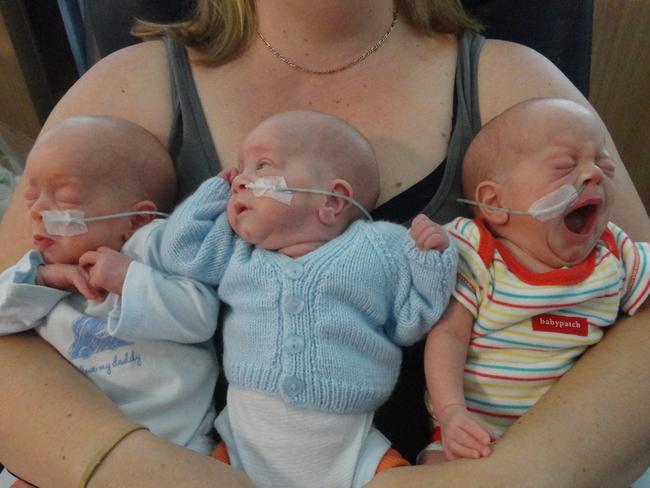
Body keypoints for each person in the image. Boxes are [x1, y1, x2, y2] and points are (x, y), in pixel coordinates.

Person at [0, 1, 648, 486]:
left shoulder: (518, 87)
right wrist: (133, 467)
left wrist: (511, 478)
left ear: (338, 198)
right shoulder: (123, 94)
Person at [159, 110, 456, 487]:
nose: (241, 182)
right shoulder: (237, 251)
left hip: (349, 445)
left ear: (331, 201)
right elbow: (182, 253)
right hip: (244, 442)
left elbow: (411, 319)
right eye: (238, 171)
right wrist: (215, 191)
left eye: (261, 166)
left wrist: (433, 260)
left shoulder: (378, 248)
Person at [420, 97, 650, 464]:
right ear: (495, 204)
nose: (594, 174)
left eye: (603, 164)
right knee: (437, 469)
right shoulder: (478, 253)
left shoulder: (615, 253)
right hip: (478, 433)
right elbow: (448, 335)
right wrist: (450, 413)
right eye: (565, 166)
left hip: (570, 439)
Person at [0, 116, 220, 487]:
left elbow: (201, 317)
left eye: (64, 199)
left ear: (136, 219)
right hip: (68, 449)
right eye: (32, 197)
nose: (38, 212)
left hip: (173, 446)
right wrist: (42, 279)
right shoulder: (42, 272)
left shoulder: (155, 251)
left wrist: (130, 278)